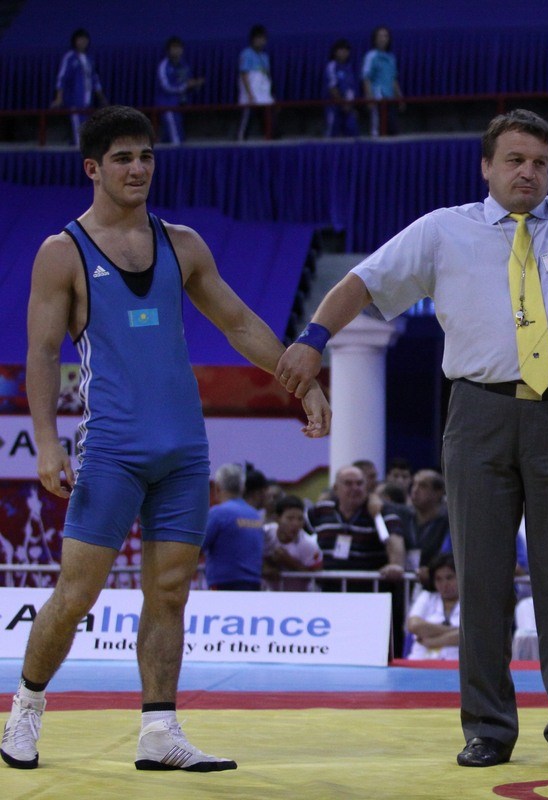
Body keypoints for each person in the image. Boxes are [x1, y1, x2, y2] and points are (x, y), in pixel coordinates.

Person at [275, 70, 548, 769]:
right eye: (514, 159)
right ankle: (487, 727)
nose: (528, 172)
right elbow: (361, 279)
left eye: (540, 162)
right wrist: (312, 339)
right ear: (486, 166)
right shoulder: (443, 231)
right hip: (478, 415)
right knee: (480, 578)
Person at [1, 105, 329, 772]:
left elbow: (239, 323)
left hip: (183, 450)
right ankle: (25, 710)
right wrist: (46, 441)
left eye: (146, 156)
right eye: (122, 158)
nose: (138, 169)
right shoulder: (63, 253)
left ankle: (159, 730)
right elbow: (41, 352)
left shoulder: (182, 244)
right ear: (92, 168)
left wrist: (302, 381)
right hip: (112, 449)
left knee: (171, 592)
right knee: (77, 594)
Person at [308, 464, 406, 577]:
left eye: (359, 483)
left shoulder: (381, 511)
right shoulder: (321, 509)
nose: (355, 488)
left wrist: (395, 565)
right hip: (326, 585)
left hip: (368, 585)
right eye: (348, 484)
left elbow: (395, 540)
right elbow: (296, 531)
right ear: (335, 488)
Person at [201, 463, 264, 591]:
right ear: (243, 488)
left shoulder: (218, 513)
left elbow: (199, 545)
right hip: (253, 585)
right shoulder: (255, 515)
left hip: (224, 585)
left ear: (217, 487)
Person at [52, 28, 107, 146]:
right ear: (75, 41)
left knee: (87, 134)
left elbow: (95, 79)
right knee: (78, 137)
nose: (83, 42)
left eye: (85, 39)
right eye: (80, 39)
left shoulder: (89, 59)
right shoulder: (70, 57)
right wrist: (59, 98)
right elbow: (62, 78)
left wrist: (101, 97)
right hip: (74, 103)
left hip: (87, 104)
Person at [406, 553, 461, 660]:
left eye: (449, 578)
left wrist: (433, 641)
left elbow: (471, 635)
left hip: (455, 662)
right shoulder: (427, 597)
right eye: (438, 579)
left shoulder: (470, 601)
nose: (444, 584)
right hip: (420, 660)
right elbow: (414, 625)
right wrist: (455, 632)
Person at [262, 494, 322, 591]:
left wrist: (289, 562)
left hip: (299, 596)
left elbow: (317, 576)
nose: (296, 524)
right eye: (290, 518)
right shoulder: (265, 534)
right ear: (277, 518)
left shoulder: (309, 544)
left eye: (300, 519)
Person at [155, 36, 204, 145]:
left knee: (173, 137)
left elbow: (187, 80)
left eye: (179, 47)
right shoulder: (164, 66)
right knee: (175, 140)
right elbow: (166, 86)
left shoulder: (183, 64)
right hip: (168, 106)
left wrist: (195, 83)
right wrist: (185, 86)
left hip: (181, 105)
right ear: (168, 50)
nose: (177, 50)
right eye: (174, 48)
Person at [362, 26, 403, 137]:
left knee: (393, 130)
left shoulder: (391, 57)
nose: (383, 39)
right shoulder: (371, 56)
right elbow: (366, 78)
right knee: (378, 130)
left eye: (385, 36)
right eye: (380, 36)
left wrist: (399, 97)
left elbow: (393, 79)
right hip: (378, 98)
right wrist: (369, 98)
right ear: (375, 39)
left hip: (390, 99)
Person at [237, 24, 273, 141]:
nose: (261, 41)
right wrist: (250, 94)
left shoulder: (264, 56)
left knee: (267, 120)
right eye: (258, 38)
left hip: (264, 95)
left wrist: (270, 94)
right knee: (247, 119)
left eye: (263, 39)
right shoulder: (246, 54)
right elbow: (244, 75)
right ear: (253, 39)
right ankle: (241, 141)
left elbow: (266, 76)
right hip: (251, 94)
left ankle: (269, 141)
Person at [324, 39, 359, 138]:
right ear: (335, 52)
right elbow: (332, 87)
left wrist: (351, 106)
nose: (344, 52)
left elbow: (351, 89)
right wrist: (342, 103)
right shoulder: (332, 66)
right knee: (332, 134)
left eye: (346, 50)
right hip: (334, 107)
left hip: (349, 108)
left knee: (352, 132)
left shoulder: (349, 68)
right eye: (341, 50)